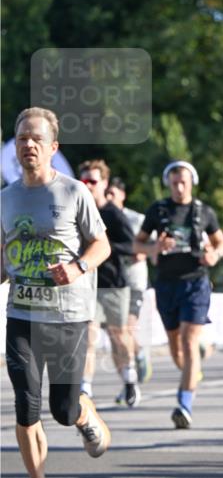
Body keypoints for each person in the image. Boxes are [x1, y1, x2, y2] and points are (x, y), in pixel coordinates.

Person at [1, 108, 111, 478]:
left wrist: (78, 267)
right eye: (21, 138)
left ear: (52, 147)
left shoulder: (74, 192)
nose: (27, 144)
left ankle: (82, 411)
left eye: (35, 138)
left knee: (62, 409)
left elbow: (102, 246)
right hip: (22, 315)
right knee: (25, 404)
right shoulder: (6, 198)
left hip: (68, 315)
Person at [134, 161, 223, 428]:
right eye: (174, 182)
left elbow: (220, 242)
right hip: (166, 284)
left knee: (188, 341)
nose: (179, 187)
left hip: (195, 282)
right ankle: (192, 371)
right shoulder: (157, 210)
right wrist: (155, 246)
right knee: (176, 347)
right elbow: (136, 243)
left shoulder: (203, 211)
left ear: (191, 182)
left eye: (183, 182)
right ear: (168, 183)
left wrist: (215, 254)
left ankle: (184, 404)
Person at [78, 160, 140, 407]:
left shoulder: (114, 214)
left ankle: (129, 379)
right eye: (84, 181)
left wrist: (102, 249)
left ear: (104, 183)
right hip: (86, 283)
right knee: (88, 336)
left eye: (93, 181)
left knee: (118, 336)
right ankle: (85, 389)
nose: (88, 185)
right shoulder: (78, 209)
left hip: (113, 283)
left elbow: (131, 245)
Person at [105, 177, 152, 391]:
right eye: (107, 194)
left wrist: (133, 252)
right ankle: (127, 383)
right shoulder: (100, 217)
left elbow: (147, 248)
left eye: (113, 194)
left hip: (133, 282)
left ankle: (138, 353)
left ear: (122, 195)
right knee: (115, 337)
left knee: (126, 329)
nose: (109, 198)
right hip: (111, 283)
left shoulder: (135, 219)